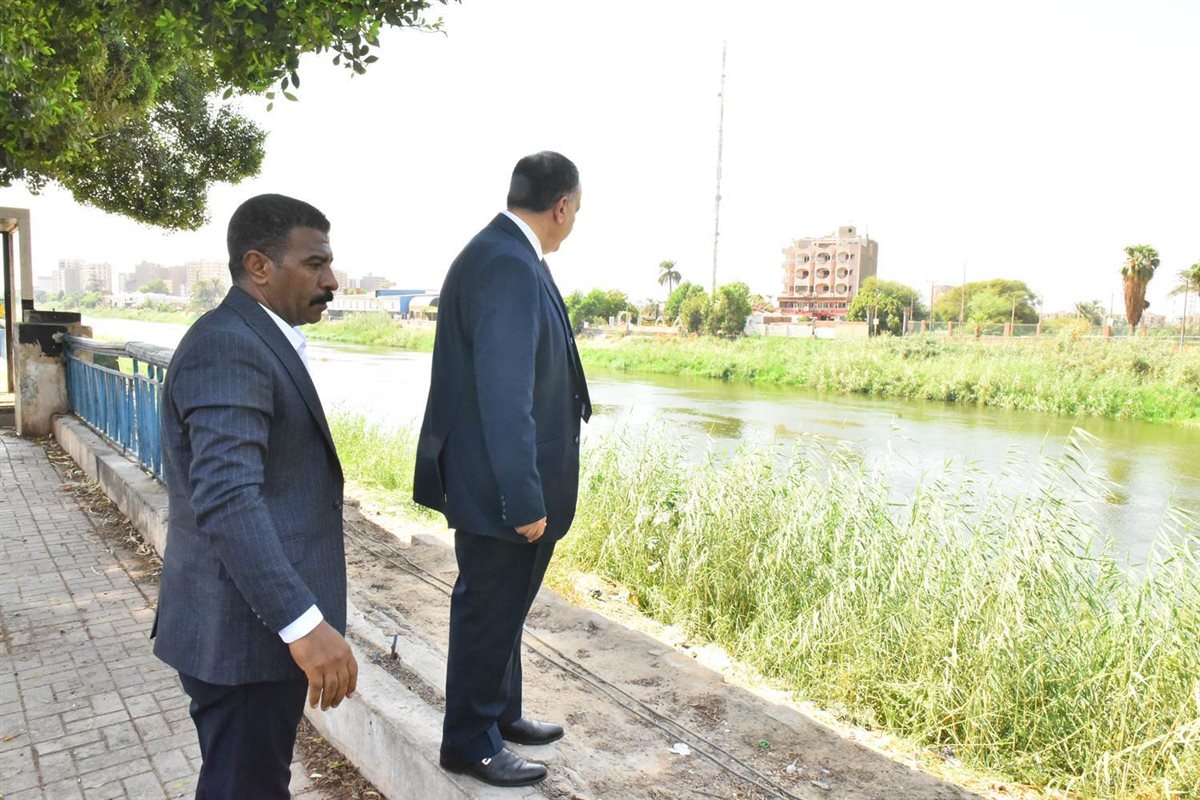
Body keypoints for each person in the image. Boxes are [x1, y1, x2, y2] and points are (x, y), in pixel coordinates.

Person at [153, 194, 357, 799]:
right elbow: (227, 500)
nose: (331, 280)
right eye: (315, 263)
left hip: (244, 633)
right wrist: (304, 625)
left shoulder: (254, 337)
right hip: (244, 639)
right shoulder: (229, 346)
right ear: (259, 266)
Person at [413, 151, 592, 787]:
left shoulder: (505, 253)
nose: (575, 220)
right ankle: (470, 741)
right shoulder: (508, 263)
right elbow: (504, 393)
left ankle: (500, 715)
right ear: (561, 206)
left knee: (505, 607)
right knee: (488, 611)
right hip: (500, 488)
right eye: (578, 209)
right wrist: (524, 498)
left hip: (496, 479)